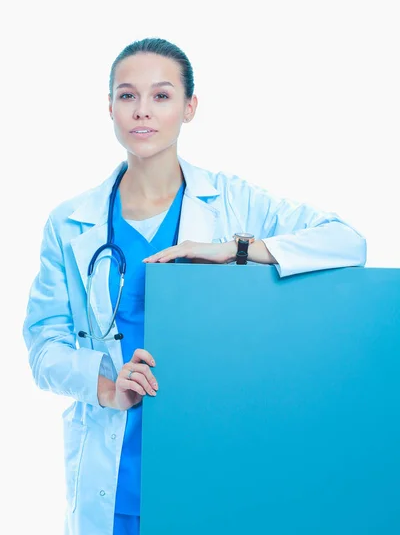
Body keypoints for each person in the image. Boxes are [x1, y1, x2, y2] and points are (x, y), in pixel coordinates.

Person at [23, 37, 366, 535]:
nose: (142, 112)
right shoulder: (70, 222)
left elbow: (347, 242)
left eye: (161, 96)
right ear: (110, 107)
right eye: (127, 95)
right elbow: (43, 346)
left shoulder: (233, 202)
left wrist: (234, 249)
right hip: (114, 473)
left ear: (190, 108)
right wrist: (107, 389)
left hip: (212, 456)